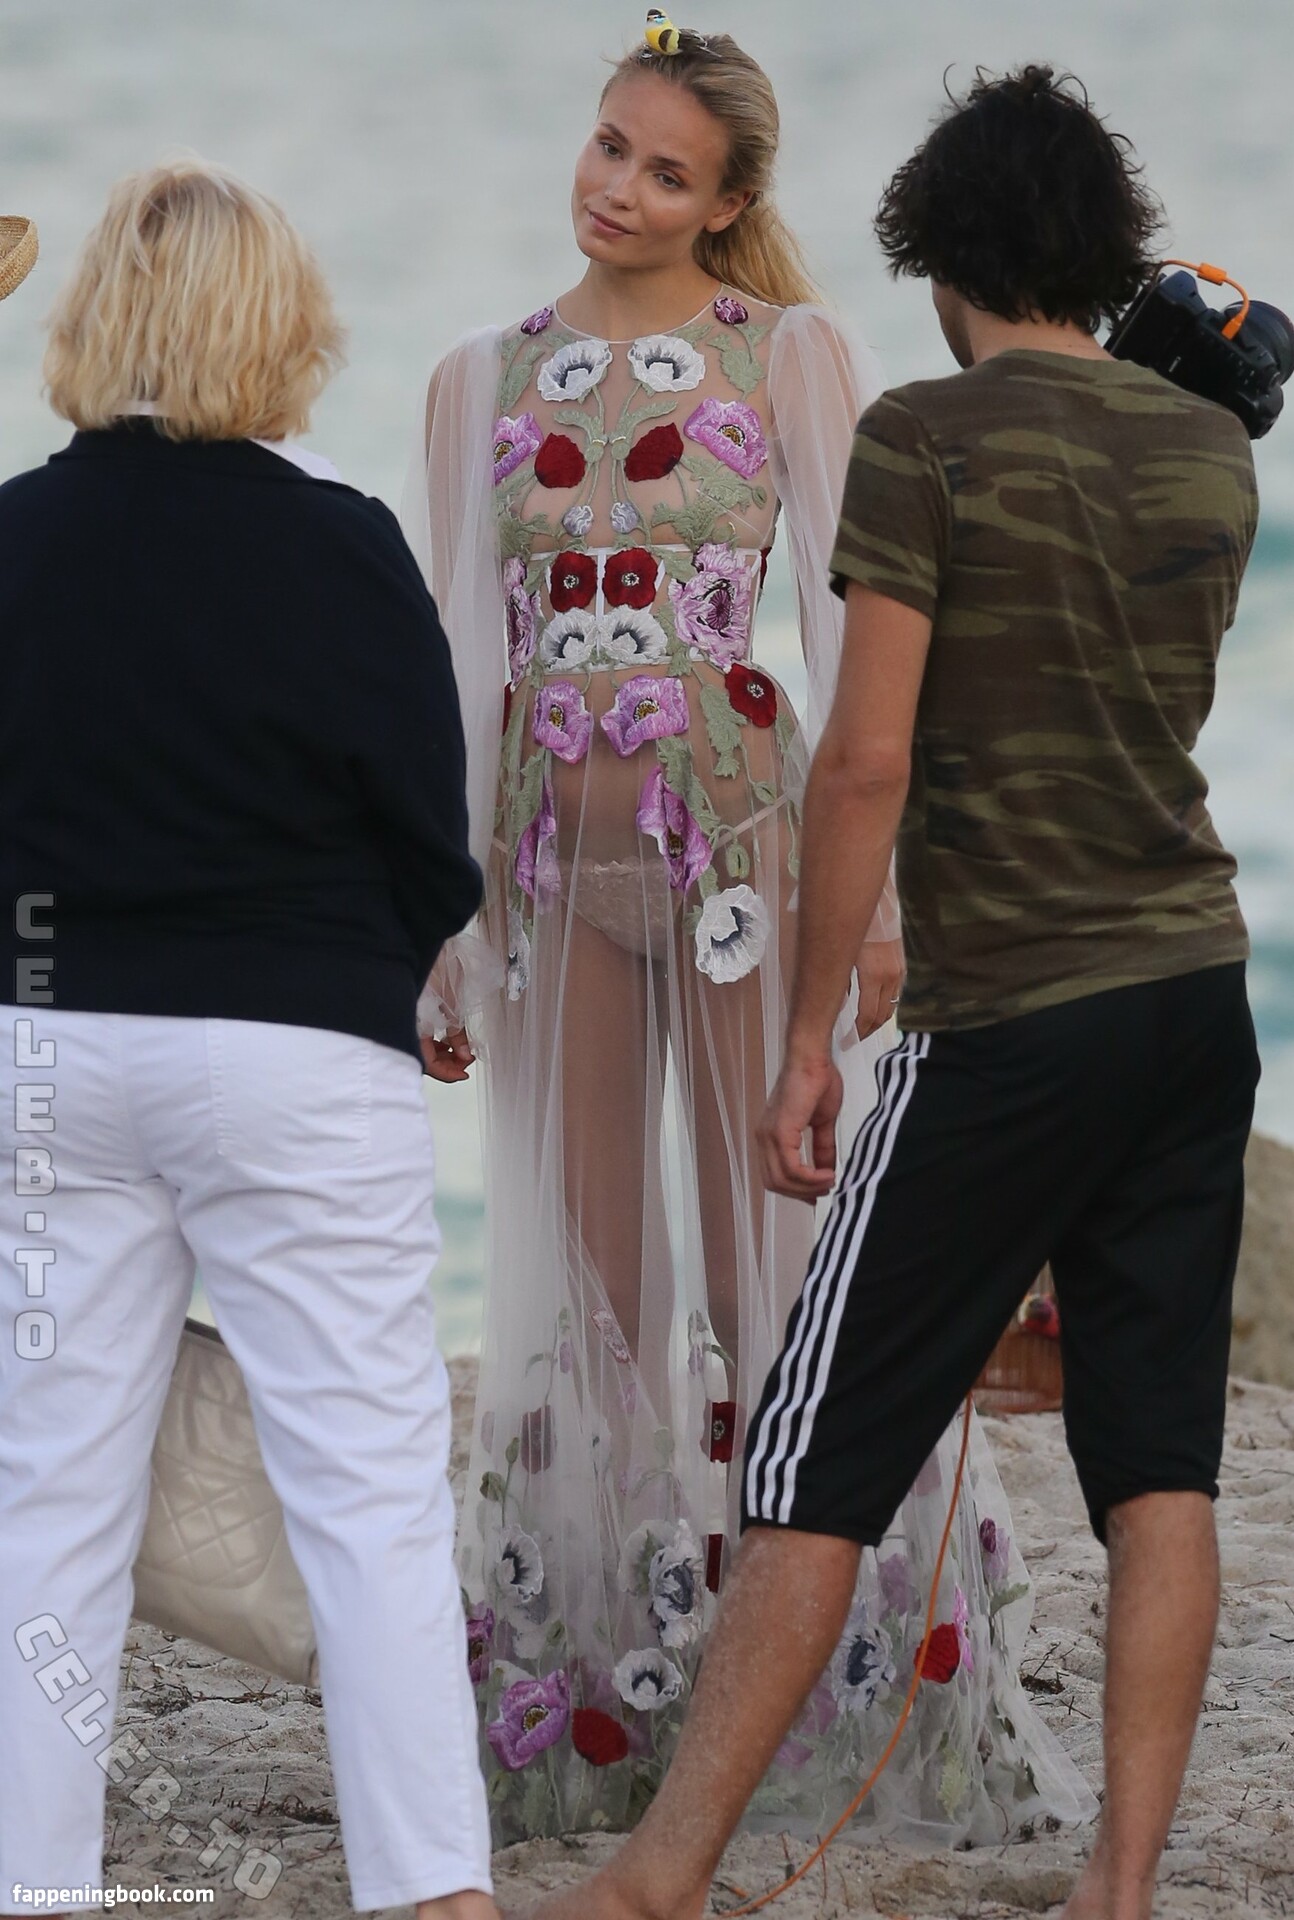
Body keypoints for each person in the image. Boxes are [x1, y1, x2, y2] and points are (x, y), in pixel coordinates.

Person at [536, 63, 1262, 1920]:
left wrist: (806, 1036)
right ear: (1102, 251)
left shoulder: (927, 434)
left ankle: (659, 1877)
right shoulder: (1210, 451)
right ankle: (1119, 1889)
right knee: (1157, 1466)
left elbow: (861, 761)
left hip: (1006, 1005)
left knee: (813, 1438)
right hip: (1192, 994)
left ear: (936, 254)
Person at [402, 24, 1094, 1848]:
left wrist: (891, 915)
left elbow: (872, 635)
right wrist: (441, 926)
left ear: (726, 204)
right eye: (606, 147)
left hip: (743, 866)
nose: (617, 189)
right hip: (546, 884)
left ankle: (845, 1689)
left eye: (664, 172)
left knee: (766, 1277)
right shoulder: (475, 380)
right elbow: (458, 664)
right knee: (591, 1287)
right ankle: (603, 1699)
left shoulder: (787, 354)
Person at [0, 160, 496, 1920]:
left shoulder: (13, 537)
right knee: (367, 1497)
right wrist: (406, 962)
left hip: (49, 1045)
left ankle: (35, 1884)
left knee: (48, 1505)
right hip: (293, 1053)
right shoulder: (340, 541)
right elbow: (428, 833)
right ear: (279, 330)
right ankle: (430, 1890)